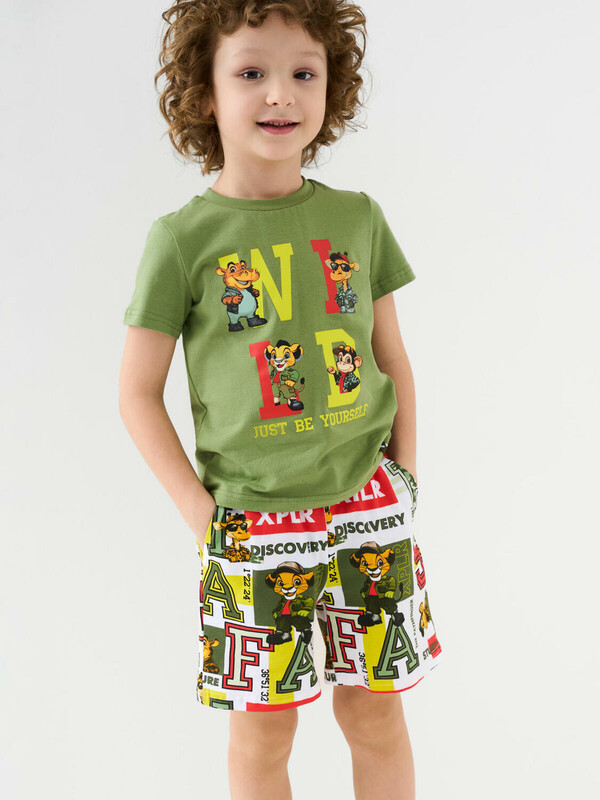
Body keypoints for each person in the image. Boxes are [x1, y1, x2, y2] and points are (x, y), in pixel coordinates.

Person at [119, 2, 443, 798]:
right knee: (264, 733)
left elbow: (392, 356)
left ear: (333, 87)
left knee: (375, 714)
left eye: (303, 72)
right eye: (251, 72)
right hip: (254, 521)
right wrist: (202, 515)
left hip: (369, 509)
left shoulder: (357, 218)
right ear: (205, 94)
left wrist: (402, 477)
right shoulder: (182, 240)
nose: (280, 94)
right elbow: (135, 392)